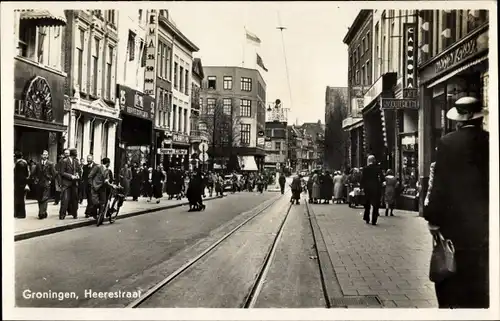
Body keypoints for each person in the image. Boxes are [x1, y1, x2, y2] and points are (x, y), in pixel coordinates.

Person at [424, 96, 489, 308]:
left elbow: (439, 185)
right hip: (485, 226)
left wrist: (433, 218)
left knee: (451, 278)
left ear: (459, 120)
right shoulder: (489, 140)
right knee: (479, 278)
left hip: (456, 226)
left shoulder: (447, 143)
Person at [31, 150, 57, 219]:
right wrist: (35, 179)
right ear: (41, 156)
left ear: (48, 156)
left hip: (46, 183)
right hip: (39, 183)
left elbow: (54, 174)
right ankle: (43, 212)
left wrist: (50, 180)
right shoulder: (38, 164)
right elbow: (33, 173)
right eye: (43, 154)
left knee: (45, 198)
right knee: (39, 198)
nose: (45, 156)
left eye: (46, 155)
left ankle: (41, 213)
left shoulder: (50, 164)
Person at [361, 155, 384, 225]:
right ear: (374, 161)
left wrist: (361, 187)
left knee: (367, 203)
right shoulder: (377, 168)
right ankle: (374, 219)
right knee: (375, 204)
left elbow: (362, 179)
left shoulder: (365, 169)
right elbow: (382, 178)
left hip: (367, 188)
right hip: (375, 188)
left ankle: (367, 217)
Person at [58, 148, 81, 219]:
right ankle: (62, 215)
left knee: (75, 199)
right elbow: (62, 173)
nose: (76, 155)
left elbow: (78, 169)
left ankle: (75, 214)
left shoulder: (76, 161)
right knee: (65, 199)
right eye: (75, 153)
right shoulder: (64, 161)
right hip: (66, 183)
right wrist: (71, 176)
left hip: (74, 183)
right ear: (73, 155)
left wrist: (77, 174)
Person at [14, 150, 30, 219]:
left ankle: (19, 214)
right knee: (21, 199)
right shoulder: (25, 163)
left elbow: (16, 174)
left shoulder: (17, 164)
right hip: (23, 182)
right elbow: (27, 173)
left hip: (18, 183)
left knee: (18, 199)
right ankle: (21, 213)